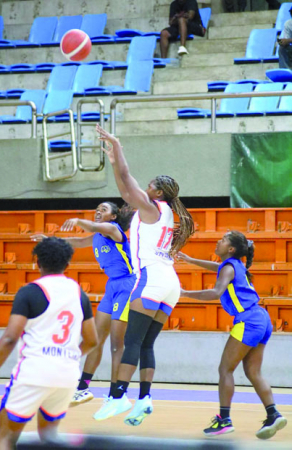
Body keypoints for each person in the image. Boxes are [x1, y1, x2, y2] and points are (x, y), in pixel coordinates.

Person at [93, 124, 194, 426]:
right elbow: (126, 184)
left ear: (158, 192)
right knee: (147, 344)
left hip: (150, 278)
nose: (145, 187)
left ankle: (118, 395)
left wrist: (117, 149)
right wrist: (113, 162)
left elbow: (125, 186)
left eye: (150, 185)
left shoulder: (152, 207)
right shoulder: (167, 211)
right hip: (170, 284)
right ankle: (145, 398)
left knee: (132, 341)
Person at [178, 231, 287, 440]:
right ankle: (273, 414)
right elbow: (218, 268)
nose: (218, 241)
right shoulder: (235, 266)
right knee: (253, 372)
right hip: (262, 318)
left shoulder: (229, 267)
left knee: (225, 369)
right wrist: (191, 260)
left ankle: (224, 420)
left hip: (248, 321)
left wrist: (185, 293)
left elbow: (216, 292)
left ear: (231, 249)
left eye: (223, 240)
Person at [0, 237, 98, 450]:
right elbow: (92, 340)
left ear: (37, 262)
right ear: (67, 264)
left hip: (35, 371)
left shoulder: (30, 291)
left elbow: (10, 338)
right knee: (48, 440)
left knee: (6, 436)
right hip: (67, 374)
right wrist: (68, 355)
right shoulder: (79, 293)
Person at [32, 202, 135, 406]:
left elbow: (97, 227)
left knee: (117, 344)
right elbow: (77, 242)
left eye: (103, 210)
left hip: (127, 285)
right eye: (97, 209)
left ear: (114, 217)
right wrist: (50, 241)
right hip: (112, 286)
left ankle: (117, 394)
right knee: (96, 339)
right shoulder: (97, 236)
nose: (98, 211)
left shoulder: (114, 230)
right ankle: (83, 388)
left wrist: (79, 220)